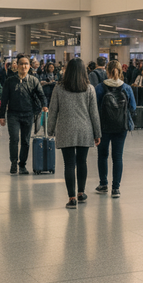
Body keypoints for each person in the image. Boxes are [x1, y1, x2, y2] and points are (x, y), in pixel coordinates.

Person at [47, 58, 101, 209]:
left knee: (69, 164)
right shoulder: (89, 88)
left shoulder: (59, 88)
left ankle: (71, 198)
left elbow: (53, 111)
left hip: (65, 130)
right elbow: (94, 113)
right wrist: (98, 133)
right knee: (82, 162)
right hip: (85, 129)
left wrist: (50, 129)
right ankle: (81, 193)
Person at [94, 60, 137, 199]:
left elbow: (94, 108)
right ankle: (116, 188)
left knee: (103, 155)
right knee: (117, 156)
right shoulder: (126, 88)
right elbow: (133, 108)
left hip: (104, 127)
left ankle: (103, 184)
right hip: (121, 127)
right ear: (121, 71)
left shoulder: (100, 88)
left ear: (107, 71)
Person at [0, 54, 48, 175]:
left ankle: (22, 165)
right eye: (21, 63)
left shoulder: (33, 80)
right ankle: (13, 163)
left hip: (28, 114)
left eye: (26, 64)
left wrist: (44, 105)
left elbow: (41, 94)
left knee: (25, 140)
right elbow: (4, 98)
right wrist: (1, 115)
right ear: (16, 66)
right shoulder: (10, 81)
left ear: (29, 66)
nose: (23, 66)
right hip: (13, 114)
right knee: (14, 139)